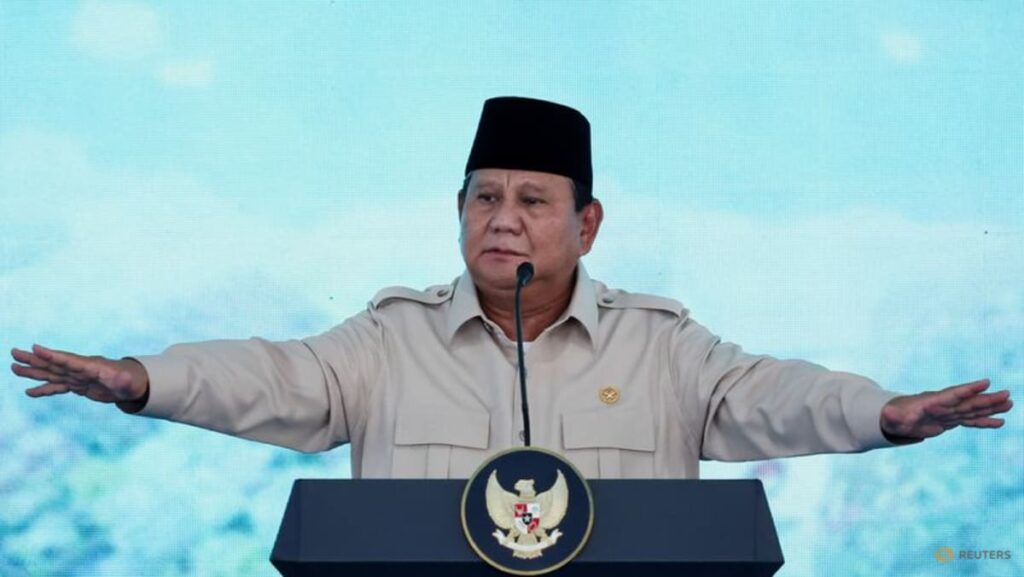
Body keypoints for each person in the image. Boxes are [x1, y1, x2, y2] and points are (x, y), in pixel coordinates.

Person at [9, 97, 1013, 479]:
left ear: (587, 224)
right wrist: (144, 378)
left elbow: (777, 395)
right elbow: (272, 375)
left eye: (533, 200)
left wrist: (883, 413)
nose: (502, 218)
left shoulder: (662, 346)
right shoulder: (388, 340)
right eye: (484, 197)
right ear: (457, 212)